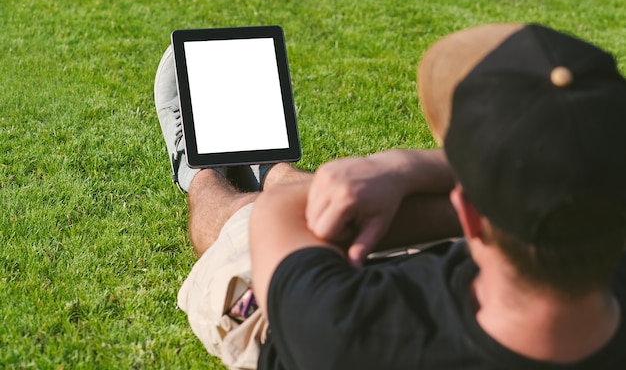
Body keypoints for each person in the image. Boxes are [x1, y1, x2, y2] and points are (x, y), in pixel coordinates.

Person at [155, 23, 626, 369]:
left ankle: (201, 171)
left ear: (467, 215)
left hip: (282, 322)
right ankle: (271, 165)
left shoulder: (346, 330)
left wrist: (399, 167)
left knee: (239, 232)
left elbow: (279, 219)